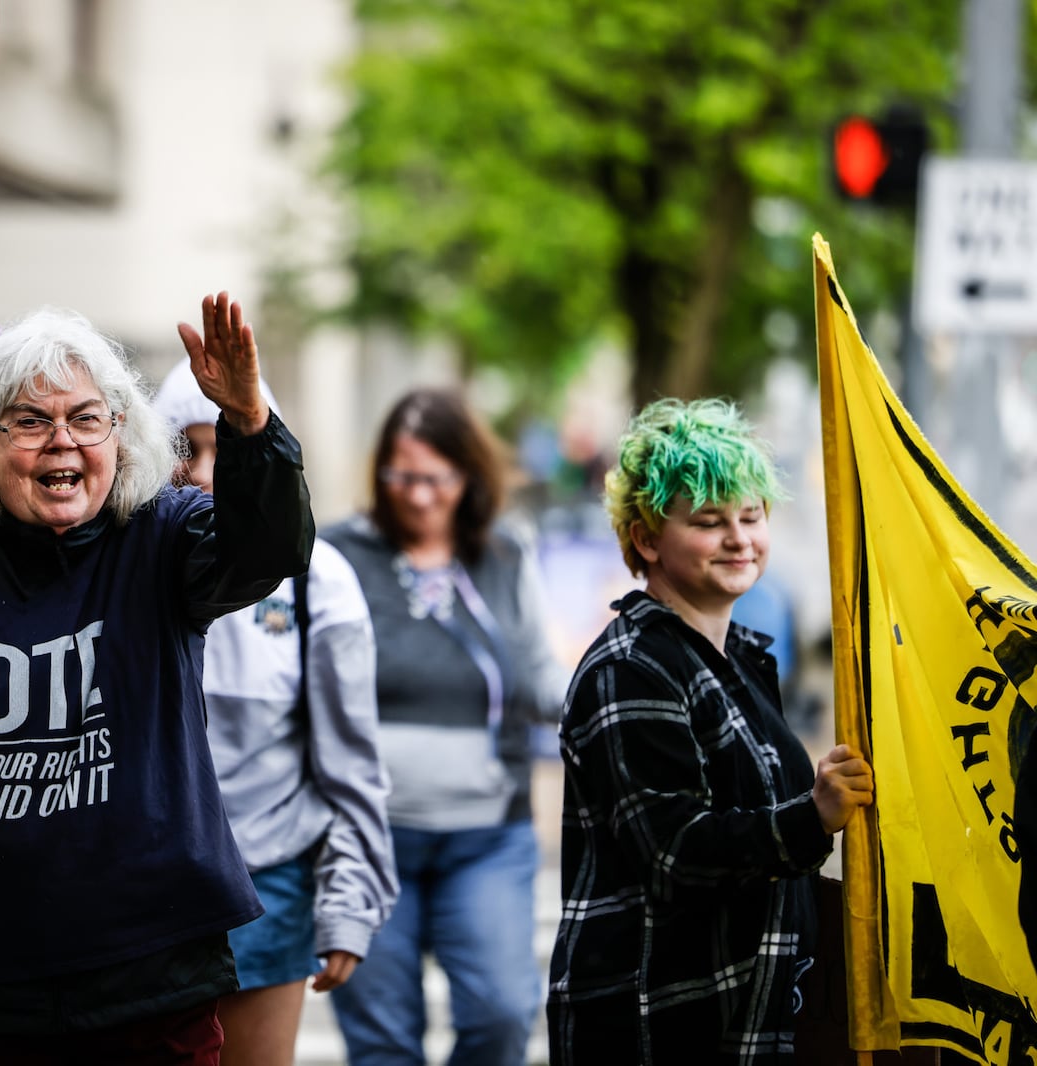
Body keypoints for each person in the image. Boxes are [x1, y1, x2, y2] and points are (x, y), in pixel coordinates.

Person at [0, 294, 314, 1063]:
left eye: (87, 420)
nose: (64, 443)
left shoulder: (162, 532)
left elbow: (268, 551)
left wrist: (249, 424)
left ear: (119, 434)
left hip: (151, 978)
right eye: (30, 422)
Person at [547, 398, 875, 1065]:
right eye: (707, 521)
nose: (739, 539)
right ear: (646, 539)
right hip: (657, 1026)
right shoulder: (630, 668)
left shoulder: (742, 662)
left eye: (750, 517)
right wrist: (813, 816)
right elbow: (675, 851)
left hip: (748, 1020)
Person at [152, 360, 398, 1066]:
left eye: (223, 450)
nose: (203, 473)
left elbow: (351, 763)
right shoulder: (129, 566)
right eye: (183, 451)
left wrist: (349, 904)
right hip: (145, 888)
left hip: (267, 882)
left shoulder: (320, 582)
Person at [324, 388, 567, 1066]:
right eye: (403, 476)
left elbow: (538, 672)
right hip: (366, 840)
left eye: (438, 478)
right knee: (383, 1044)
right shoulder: (336, 555)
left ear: (470, 476)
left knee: (501, 1015)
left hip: (486, 835)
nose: (420, 496)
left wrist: (599, 699)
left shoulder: (504, 555)